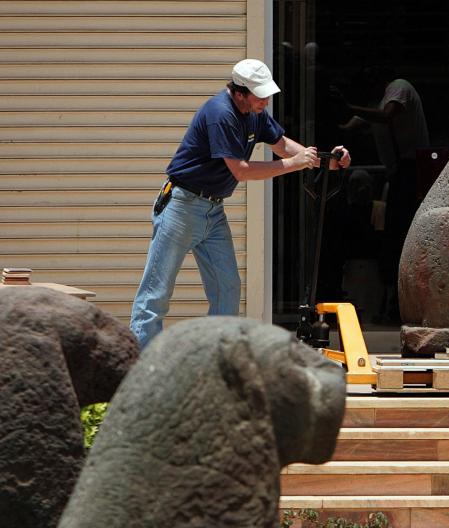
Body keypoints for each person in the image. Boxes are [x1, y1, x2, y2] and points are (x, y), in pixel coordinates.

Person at [129, 59, 350, 348]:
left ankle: (217, 365)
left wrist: (327, 161)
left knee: (227, 289)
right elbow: (241, 170)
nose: (266, 101)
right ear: (239, 92)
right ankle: (137, 373)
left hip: (213, 210)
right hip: (181, 207)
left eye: (268, 94)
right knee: (155, 294)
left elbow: (282, 144)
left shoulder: (256, 113)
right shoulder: (220, 113)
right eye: (260, 95)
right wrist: (292, 164)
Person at [335, 69, 429, 323]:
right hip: (398, 174)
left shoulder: (398, 88)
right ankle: (393, 305)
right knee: (393, 238)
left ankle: (402, 308)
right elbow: (353, 125)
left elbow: (387, 116)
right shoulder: (379, 104)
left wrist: (350, 106)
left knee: (402, 238)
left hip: (410, 172)